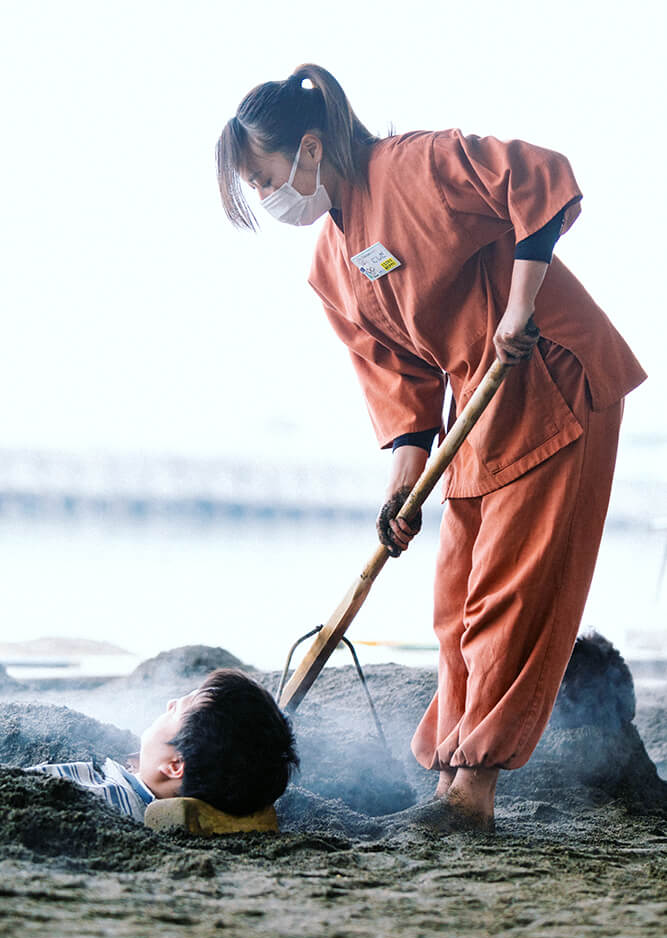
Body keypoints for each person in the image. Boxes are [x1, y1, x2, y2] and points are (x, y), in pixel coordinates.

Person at [216, 64, 646, 832]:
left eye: (262, 177)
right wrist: (400, 491)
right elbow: (399, 382)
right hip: (473, 411)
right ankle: (448, 769)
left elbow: (538, 178)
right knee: (454, 603)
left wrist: (520, 303)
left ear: (309, 148)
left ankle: (471, 788)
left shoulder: (416, 164)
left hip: (548, 369)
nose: (265, 196)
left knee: (508, 591)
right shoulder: (329, 265)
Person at [28, 668, 299, 822]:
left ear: (175, 765)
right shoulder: (155, 782)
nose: (170, 702)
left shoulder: (97, 796)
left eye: (175, 711)